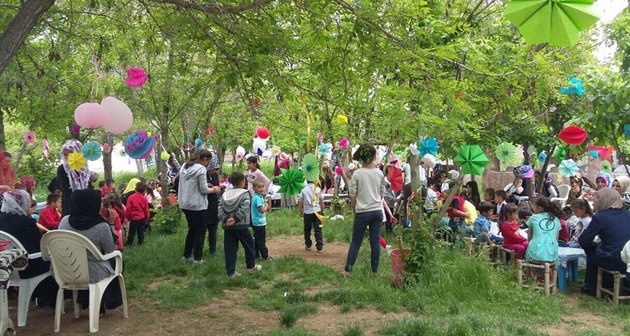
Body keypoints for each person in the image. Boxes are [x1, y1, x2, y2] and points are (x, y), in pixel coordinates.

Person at [58, 189, 123, 311]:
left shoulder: (65, 221)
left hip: (65, 270)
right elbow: (110, 249)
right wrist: (111, 225)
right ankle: (105, 302)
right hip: (91, 273)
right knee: (115, 261)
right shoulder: (101, 226)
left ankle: (84, 300)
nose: (101, 205)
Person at [0, 189, 58, 307]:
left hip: (9, 266)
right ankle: (54, 298)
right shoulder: (26, 222)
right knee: (55, 259)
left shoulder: (2, 221)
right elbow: (40, 244)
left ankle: (41, 297)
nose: (28, 204)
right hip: (28, 265)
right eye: (27, 201)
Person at [578, 188, 630, 295]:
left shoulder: (601, 217)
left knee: (592, 251)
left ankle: (591, 287)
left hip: (614, 260)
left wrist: (593, 246)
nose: (594, 203)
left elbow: (583, 240)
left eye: (597, 199)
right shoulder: (628, 215)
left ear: (604, 200)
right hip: (628, 259)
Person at [342, 144, 384, 277]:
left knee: (356, 241)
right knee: (375, 241)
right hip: (377, 210)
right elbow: (382, 193)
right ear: (373, 157)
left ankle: (348, 271)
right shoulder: (379, 172)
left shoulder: (358, 174)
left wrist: (355, 207)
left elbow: (352, 194)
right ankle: (374, 272)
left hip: (362, 211)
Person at [179, 150, 221, 263]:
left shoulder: (185, 166)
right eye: (209, 161)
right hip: (197, 205)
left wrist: (205, 185)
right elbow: (203, 190)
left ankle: (187, 255)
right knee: (201, 231)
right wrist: (214, 189)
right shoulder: (201, 169)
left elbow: (191, 184)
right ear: (205, 159)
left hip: (185, 203)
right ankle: (197, 258)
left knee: (192, 229)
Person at [219, 172, 261, 277]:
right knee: (250, 243)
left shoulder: (225, 194)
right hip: (241, 225)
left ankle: (231, 272)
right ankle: (251, 266)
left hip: (228, 227)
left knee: (230, 248)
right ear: (243, 182)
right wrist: (235, 219)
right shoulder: (244, 193)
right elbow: (245, 207)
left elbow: (220, 208)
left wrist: (226, 219)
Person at [56, 139, 91, 217]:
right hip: (70, 209)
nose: (68, 157)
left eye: (71, 153)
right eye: (65, 154)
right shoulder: (62, 169)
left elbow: (89, 188)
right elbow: (66, 190)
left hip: (86, 208)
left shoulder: (84, 170)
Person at [525, 197, 562, 263]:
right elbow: (556, 238)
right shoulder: (556, 219)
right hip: (552, 256)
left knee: (529, 253)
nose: (533, 209)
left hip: (535, 256)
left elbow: (529, 237)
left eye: (535, 207)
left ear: (539, 208)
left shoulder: (533, 218)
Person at [298, 178, 325, 252]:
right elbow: (322, 201)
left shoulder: (304, 190)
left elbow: (300, 201)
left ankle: (308, 244)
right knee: (318, 229)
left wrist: (301, 211)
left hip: (307, 212)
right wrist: (322, 211)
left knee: (307, 229)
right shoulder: (318, 189)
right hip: (317, 211)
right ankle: (319, 246)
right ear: (314, 181)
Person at [206, 154, 223, 255]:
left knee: (213, 229)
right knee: (202, 229)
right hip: (204, 204)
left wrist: (219, 187)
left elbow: (216, 185)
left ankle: (213, 249)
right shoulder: (202, 175)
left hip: (213, 203)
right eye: (213, 169)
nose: (214, 171)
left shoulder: (214, 175)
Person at [124, 181, 150, 246]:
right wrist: (147, 218)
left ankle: (129, 243)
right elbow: (146, 210)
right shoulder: (144, 198)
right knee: (141, 231)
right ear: (144, 191)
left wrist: (128, 217)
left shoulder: (131, 197)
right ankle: (141, 242)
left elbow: (128, 209)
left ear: (135, 189)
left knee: (132, 232)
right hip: (142, 217)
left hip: (134, 218)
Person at [251, 181, 270, 260]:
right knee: (261, 240)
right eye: (259, 187)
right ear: (254, 188)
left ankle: (256, 255)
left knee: (257, 239)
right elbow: (262, 210)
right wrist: (266, 205)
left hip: (256, 222)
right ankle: (265, 256)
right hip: (259, 222)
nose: (261, 189)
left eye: (262, 187)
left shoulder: (257, 197)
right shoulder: (258, 198)